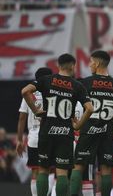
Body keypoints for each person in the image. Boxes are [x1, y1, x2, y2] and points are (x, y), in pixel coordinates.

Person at [21, 54, 94, 196]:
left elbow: (25, 91)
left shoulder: (46, 80)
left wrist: (36, 110)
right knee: (62, 173)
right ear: (73, 66)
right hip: (65, 133)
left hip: (47, 131)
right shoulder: (77, 86)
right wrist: (78, 125)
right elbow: (90, 108)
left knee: (43, 169)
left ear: (58, 65)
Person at [70, 50, 113, 196]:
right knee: (106, 169)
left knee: (79, 166)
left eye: (90, 62)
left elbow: (70, 100)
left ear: (97, 63)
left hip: (88, 130)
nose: (89, 65)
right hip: (107, 130)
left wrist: (76, 121)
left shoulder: (85, 82)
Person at [16, 67, 54, 196]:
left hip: (34, 138)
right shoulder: (53, 93)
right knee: (52, 171)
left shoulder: (29, 94)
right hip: (50, 136)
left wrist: (19, 140)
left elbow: (22, 118)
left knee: (35, 171)